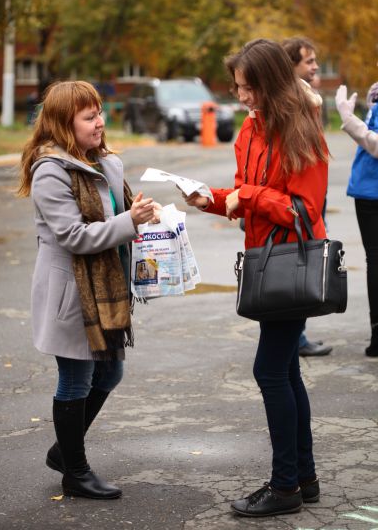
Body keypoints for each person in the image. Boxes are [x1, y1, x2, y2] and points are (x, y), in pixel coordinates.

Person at [182, 39, 327, 517]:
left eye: (247, 88)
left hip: (293, 264)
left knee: (270, 371)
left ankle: (286, 485)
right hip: (266, 261)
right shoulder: (251, 130)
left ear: (269, 83)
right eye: (238, 87)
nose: (241, 96)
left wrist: (245, 194)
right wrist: (213, 198)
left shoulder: (301, 130)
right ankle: (302, 479)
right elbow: (253, 196)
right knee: (285, 371)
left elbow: (302, 211)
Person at [17, 80, 156, 499]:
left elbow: (117, 215)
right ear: (64, 124)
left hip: (105, 289)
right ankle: (75, 472)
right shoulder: (50, 171)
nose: (101, 122)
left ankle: (64, 449)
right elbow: (74, 235)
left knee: (110, 371)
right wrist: (129, 221)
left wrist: (143, 219)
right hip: (71, 292)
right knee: (76, 379)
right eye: (90, 116)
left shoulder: (103, 161)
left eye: (100, 113)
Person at [282, 36, 333, 357]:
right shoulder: (293, 103)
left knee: (307, 260)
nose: (315, 67)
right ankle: (294, 337)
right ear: (291, 67)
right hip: (297, 203)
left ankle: (296, 334)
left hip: (311, 197)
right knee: (298, 263)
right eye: (309, 61)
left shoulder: (308, 98)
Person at [335, 82, 378, 357]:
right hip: (368, 192)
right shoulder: (375, 93)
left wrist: (350, 121)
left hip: (369, 190)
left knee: (375, 259)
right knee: (374, 259)